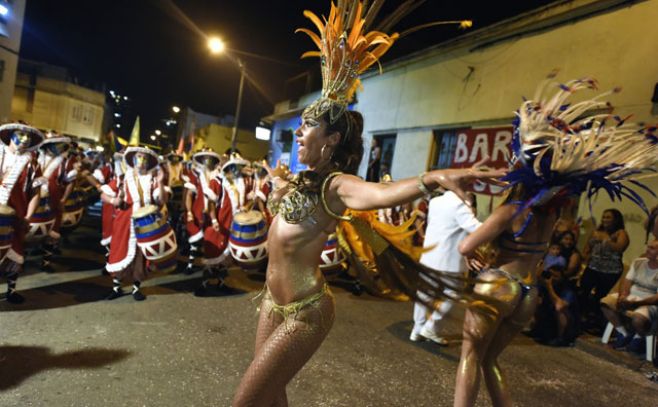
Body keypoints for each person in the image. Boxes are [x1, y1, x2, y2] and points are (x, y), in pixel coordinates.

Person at [231, 4, 499, 405]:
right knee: (269, 395)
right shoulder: (302, 180)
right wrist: (278, 186)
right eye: (300, 126)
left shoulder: (339, 185)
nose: (299, 134)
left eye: (308, 127)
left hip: (306, 310)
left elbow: (380, 194)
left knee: (245, 401)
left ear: (332, 139)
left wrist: (435, 177)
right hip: (273, 303)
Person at [453, 75, 658, 407]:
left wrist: (470, 251)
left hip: (498, 284)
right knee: (491, 360)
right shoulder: (553, 214)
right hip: (528, 293)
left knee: (470, 356)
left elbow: (466, 245)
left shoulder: (510, 211)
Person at [410, 191, 480, 346]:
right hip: (449, 261)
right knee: (453, 293)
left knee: (425, 293)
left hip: (429, 256)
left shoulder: (436, 201)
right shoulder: (460, 206)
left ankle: (417, 329)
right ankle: (431, 327)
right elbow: (476, 229)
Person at [100, 146, 167, 301]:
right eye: (138, 156)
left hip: (145, 224)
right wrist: (113, 200)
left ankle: (136, 288)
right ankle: (116, 288)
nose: (141, 160)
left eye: (144, 158)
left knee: (140, 257)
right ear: (133, 159)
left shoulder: (153, 181)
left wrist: (162, 182)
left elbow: (162, 201)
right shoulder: (123, 178)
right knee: (118, 252)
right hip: (124, 223)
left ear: (149, 161)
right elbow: (104, 194)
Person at [0, 123, 43, 304]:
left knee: (16, 251)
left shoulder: (32, 164)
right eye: (21, 135)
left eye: (28, 137)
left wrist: (28, 216)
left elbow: (36, 193)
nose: (24, 140)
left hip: (16, 216)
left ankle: (11, 290)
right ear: (10, 135)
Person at [600, 240, 658, 352]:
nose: (648, 249)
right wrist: (623, 296)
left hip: (649, 302)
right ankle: (623, 332)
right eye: (648, 247)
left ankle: (638, 337)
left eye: (652, 248)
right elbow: (627, 281)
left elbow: (656, 298)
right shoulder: (638, 262)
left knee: (638, 319)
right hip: (632, 295)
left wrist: (636, 304)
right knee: (605, 303)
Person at [580, 209, 630, 330]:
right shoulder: (596, 232)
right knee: (583, 291)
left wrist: (605, 240)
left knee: (600, 296)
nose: (605, 220)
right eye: (604, 217)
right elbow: (587, 247)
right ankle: (582, 317)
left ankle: (596, 322)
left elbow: (620, 248)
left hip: (610, 271)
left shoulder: (620, 233)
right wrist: (586, 256)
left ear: (616, 220)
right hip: (593, 267)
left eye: (608, 217)